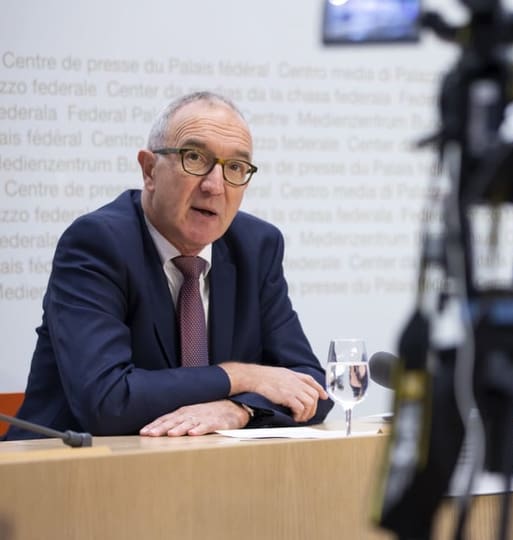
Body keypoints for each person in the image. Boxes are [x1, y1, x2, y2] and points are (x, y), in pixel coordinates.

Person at [5, 91, 333, 439]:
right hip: (63, 474)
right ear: (149, 170)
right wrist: (239, 377)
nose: (214, 186)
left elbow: (311, 387)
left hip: (191, 475)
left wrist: (240, 409)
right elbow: (106, 402)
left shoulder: (256, 246)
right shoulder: (97, 244)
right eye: (194, 157)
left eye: (235, 167)